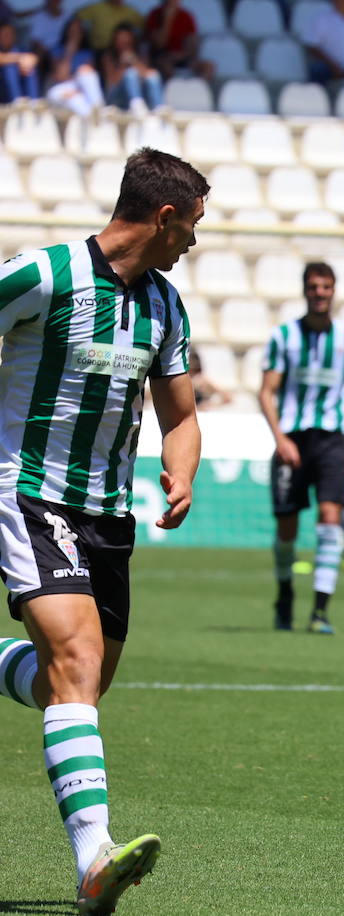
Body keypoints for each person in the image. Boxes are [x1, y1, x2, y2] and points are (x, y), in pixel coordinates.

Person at [0, 147, 206, 914]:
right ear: (163, 217)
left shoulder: (166, 307)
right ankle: (93, 859)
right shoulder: (43, 275)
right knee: (78, 659)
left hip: (109, 514)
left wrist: (183, 470)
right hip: (26, 495)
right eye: (191, 227)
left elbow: (181, 415)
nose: (193, 242)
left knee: (81, 683)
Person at [258, 262, 344, 635]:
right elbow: (267, 391)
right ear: (305, 290)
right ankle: (284, 597)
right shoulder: (284, 337)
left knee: (330, 519)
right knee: (287, 528)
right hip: (292, 440)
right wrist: (280, 438)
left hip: (331, 440)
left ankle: (320, 610)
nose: (320, 293)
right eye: (314, 286)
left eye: (326, 286)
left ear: (333, 291)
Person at [44, 15, 106, 117]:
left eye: (78, 31)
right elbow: (60, 76)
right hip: (61, 88)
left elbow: (89, 80)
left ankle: (97, 109)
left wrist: (78, 89)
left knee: (85, 71)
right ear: (67, 32)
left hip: (81, 89)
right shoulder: (57, 50)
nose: (75, 34)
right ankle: (94, 116)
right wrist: (70, 50)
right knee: (71, 98)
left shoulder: (86, 53)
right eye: (72, 31)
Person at [144, 0, 213, 81]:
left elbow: (193, 44)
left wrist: (183, 55)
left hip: (184, 57)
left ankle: (199, 89)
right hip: (162, 57)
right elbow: (159, 44)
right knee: (165, 65)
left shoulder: (186, 16)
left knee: (208, 67)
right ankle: (175, 88)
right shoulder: (154, 15)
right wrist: (167, 20)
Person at [101, 23, 162, 113]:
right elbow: (111, 84)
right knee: (130, 74)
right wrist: (123, 65)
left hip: (141, 96)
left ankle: (159, 109)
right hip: (116, 99)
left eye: (126, 38)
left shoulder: (140, 53)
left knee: (153, 76)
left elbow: (148, 75)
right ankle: (137, 105)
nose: (123, 42)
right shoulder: (108, 56)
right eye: (120, 39)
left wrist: (134, 61)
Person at [74, 0, 142, 52]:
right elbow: (76, 18)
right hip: (98, 51)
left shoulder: (131, 12)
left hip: (121, 51)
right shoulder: (96, 8)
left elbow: (143, 29)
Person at [0, 20, 39, 102]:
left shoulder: (20, 49)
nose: (6, 37)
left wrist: (28, 62)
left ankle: (34, 103)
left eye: (9, 34)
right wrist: (20, 58)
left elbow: (33, 58)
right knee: (9, 68)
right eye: (4, 34)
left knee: (29, 67)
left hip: (21, 80)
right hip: (3, 88)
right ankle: (17, 104)